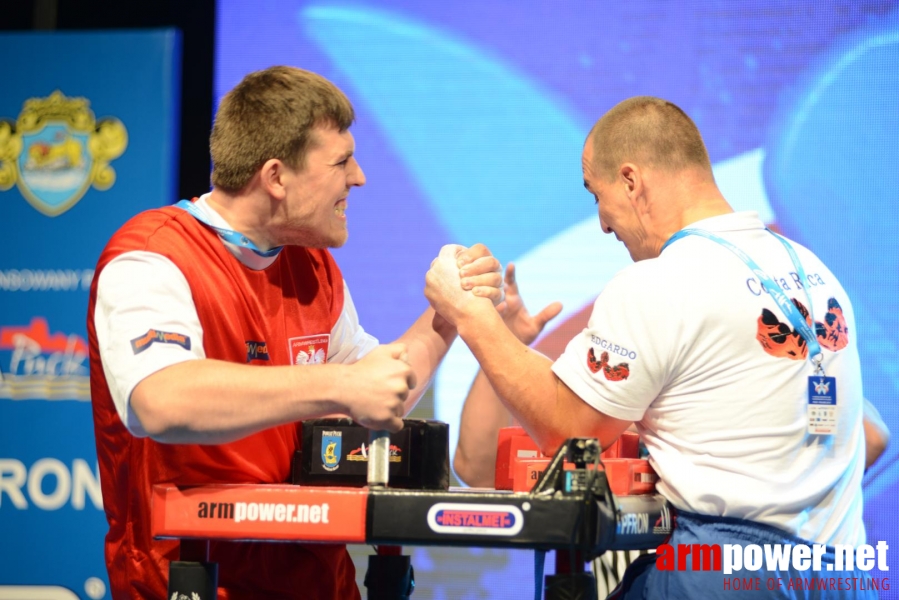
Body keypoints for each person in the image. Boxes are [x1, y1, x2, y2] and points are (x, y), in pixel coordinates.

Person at [427, 96, 888, 598]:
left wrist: (470, 315)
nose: (603, 223)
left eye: (596, 194)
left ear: (631, 180)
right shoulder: (815, 274)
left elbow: (567, 427)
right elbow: (872, 435)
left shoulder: (661, 283)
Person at [87, 66, 502, 600]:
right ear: (277, 177)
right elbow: (159, 402)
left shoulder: (313, 265)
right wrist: (338, 385)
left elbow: (376, 388)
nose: (360, 177)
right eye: (342, 161)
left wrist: (450, 313)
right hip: (190, 583)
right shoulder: (150, 256)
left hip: (317, 584)